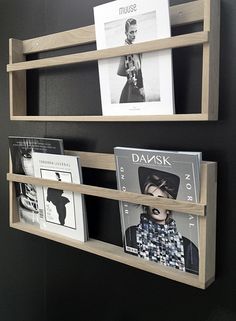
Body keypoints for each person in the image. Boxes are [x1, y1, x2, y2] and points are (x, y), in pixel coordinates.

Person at [125, 167, 199, 274]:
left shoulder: (188, 247)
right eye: (150, 197)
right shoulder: (132, 234)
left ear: (169, 208)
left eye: (160, 198)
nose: (155, 203)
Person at [117, 18, 145, 103]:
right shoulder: (127, 49)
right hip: (134, 86)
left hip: (133, 85)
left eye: (136, 31)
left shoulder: (131, 47)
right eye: (131, 32)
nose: (134, 34)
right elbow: (132, 74)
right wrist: (140, 87)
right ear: (126, 33)